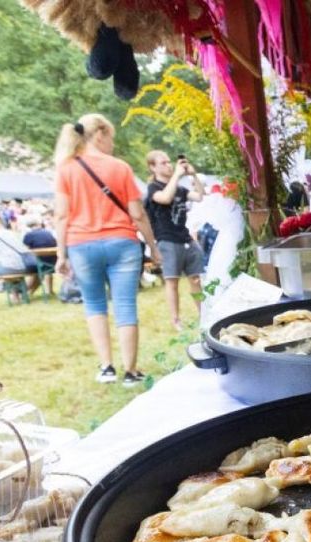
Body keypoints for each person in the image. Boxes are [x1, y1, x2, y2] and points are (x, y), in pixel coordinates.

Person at [53, 113, 159, 387]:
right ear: (100, 133)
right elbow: (137, 213)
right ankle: (131, 372)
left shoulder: (66, 168)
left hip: (81, 244)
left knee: (95, 305)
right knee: (125, 305)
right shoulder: (120, 167)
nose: (112, 142)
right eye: (111, 136)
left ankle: (107, 367)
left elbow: (62, 216)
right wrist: (153, 246)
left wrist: (61, 254)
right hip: (122, 242)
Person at [145, 150, 205, 331]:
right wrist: (178, 175)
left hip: (185, 237)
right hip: (167, 239)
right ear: (152, 167)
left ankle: (204, 315)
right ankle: (176, 320)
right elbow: (165, 198)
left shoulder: (180, 188)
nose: (169, 165)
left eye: (169, 161)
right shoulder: (153, 187)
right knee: (172, 281)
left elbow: (200, 196)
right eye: (163, 163)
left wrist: (193, 174)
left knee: (195, 279)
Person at [21, 215, 57, 298]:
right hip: (53, 259)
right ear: (39, 225)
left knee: (36, 272)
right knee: (47, 272)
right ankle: (49, 290)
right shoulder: (48, 233)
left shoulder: (29, 235)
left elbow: (25, 249)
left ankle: (27, 292)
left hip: (40, 261)